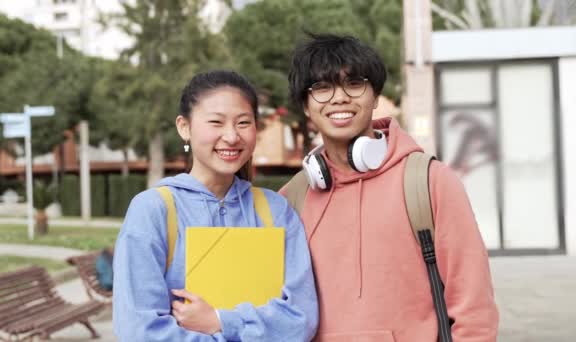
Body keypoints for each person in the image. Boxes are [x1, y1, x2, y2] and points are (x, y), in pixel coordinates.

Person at [280, 33, 499, 341]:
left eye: (354, 84)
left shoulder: (428, 182)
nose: (339, 97)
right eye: (322, 88)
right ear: (305, 105)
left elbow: (473, 307)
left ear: (375, 96)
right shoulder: (293, 197)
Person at [113, 70, 318, 341]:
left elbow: (300, 319)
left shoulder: (275, 210)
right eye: (216, 122)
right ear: (184, 127)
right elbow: (139, 330)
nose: (231, 136)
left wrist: (221, 321)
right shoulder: (153, 210)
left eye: (243, 122)